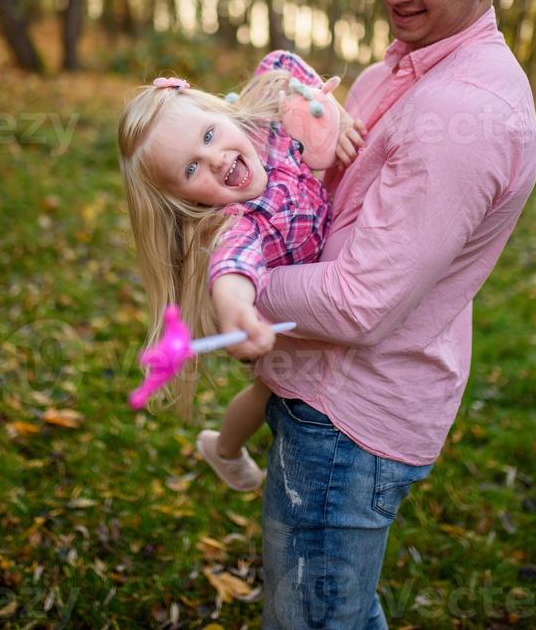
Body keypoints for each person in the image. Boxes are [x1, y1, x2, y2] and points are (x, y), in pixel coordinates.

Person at [222, 0, 536, 629]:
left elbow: (362, 304)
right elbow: (318, 204)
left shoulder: (461, 115)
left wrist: (228, 282)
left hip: (348, 419)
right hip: (315, 384)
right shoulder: (389, 73)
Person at [118, 51, 366, 491]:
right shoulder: (238, 223)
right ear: (184, 199)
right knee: (268, 390)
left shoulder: (270, 130)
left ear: (222, 114)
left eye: (210, 134)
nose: (214, 158)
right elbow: (233, 265)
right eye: (191, 168)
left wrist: (336, 114)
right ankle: (225, 449)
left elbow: (279, 62)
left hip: (322, 296)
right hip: (287, 320)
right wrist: (235, 309)